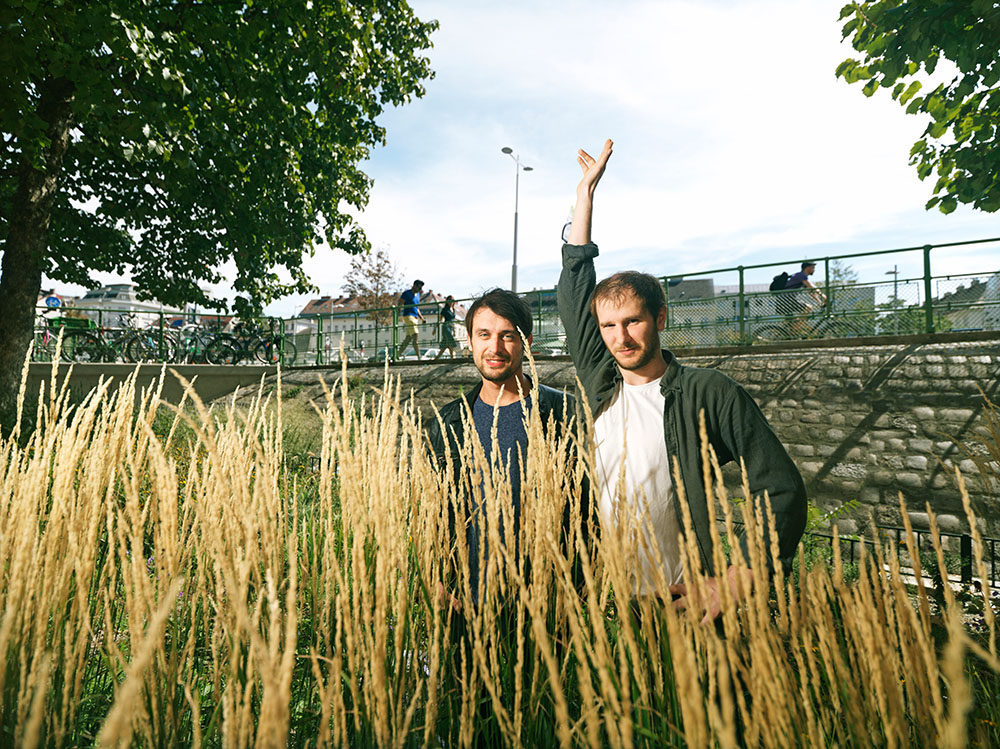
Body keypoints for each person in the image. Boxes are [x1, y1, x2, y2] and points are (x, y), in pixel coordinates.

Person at [557, 139, 806, 623]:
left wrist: (741, 574)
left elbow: (780, 487)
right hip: (603, 604)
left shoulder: (707, 392)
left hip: (682, 601)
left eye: (632, 321)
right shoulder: (599, 382)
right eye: (608, 326)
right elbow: (574, 287)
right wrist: (584, 199)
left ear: (660, 318)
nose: (620, 337)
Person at [426, 288, 579, 607]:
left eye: (507, 336)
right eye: (484, 335)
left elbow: (589, 510)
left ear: (527, 342)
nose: (494, 347)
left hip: (546, 606)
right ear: (470, 341)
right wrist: (435, 577)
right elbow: (432, 513)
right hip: (464, 604)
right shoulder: (447, 422)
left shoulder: (566, 413)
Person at [777, 261, 827, 332]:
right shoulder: (801, 275)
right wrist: (823, 296)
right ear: (807, 268)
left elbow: (811, 292)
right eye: (813, 268)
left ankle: (790, 331)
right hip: (786, 300)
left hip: (786, 300)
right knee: (808, 307)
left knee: (794, 320)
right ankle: (795, 329)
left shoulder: (801, 278)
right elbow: (811, 286)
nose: (814, 270)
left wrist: (819, 302)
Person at [396, 279, 426, 359]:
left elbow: (416, 307)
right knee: (415, 335)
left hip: (415, 318)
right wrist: (397, 316)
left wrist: (421, 318)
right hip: (408, 316)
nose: (420, 290)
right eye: (419, 288)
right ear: (414, 286)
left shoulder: (418, 295)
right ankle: (419, 357)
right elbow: (400, 304)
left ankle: (397, 355)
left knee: (408, 338)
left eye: (421, 288)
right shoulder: (406, 293)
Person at [432, 295, 459, 360]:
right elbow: (440, 320)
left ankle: (436, 359)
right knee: (450, 342)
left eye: (452, 301)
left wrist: (454, 331)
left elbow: (453, 321)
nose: (451, 302)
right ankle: (452, 358)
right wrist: (435, 329)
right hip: (446, 327)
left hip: (451, 327)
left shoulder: (453, 310)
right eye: (449, 301)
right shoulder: (445, 309)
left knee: (445, 345)